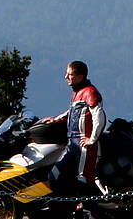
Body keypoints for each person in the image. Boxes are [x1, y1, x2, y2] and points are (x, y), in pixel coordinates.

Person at [44, 60, 106, 189]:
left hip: (84, 146)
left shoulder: (90, 92)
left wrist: (92, 139)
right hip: (72, 143)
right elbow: (72, 112)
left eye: (70, 74)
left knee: (83, 181)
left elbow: (99, 116)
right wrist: (54, 120)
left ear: (80, 76)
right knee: (54, 175)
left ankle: (87, 209)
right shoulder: (78, 92)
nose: (66, 77)